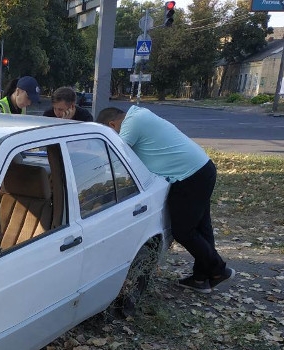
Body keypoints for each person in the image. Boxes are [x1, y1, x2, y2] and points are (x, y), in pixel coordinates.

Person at [97, 106, 234, 293]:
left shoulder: (131, 124)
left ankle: (218, 269)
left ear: (112, 125)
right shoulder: (139, 114)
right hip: (202, 168)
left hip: (189, 177)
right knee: (202, 226)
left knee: (184, 231)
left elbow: (117, 157)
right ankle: (202, 278)